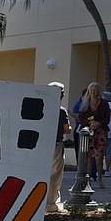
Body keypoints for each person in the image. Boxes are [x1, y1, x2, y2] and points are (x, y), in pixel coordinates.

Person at [77, 82, 110, 189]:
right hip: (89, 132)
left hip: (101, 131)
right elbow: (80, 117)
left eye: (95, 90)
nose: (93, 92)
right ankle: (88, 179)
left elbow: (107, 118)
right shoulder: (85, 103)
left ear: (98, 91)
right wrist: (89, 123)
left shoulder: (104, 103)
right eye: (91, 90)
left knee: (99, 156)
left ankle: (99, 178)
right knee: (89, 157)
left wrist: (99, 123)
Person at [46, 82, 71, 213]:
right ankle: (51, 204)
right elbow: (67, 129)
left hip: (41, 145)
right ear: (61, 95)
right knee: (55, 175)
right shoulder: (61, 110)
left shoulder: (41, 107)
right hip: (55, 144)